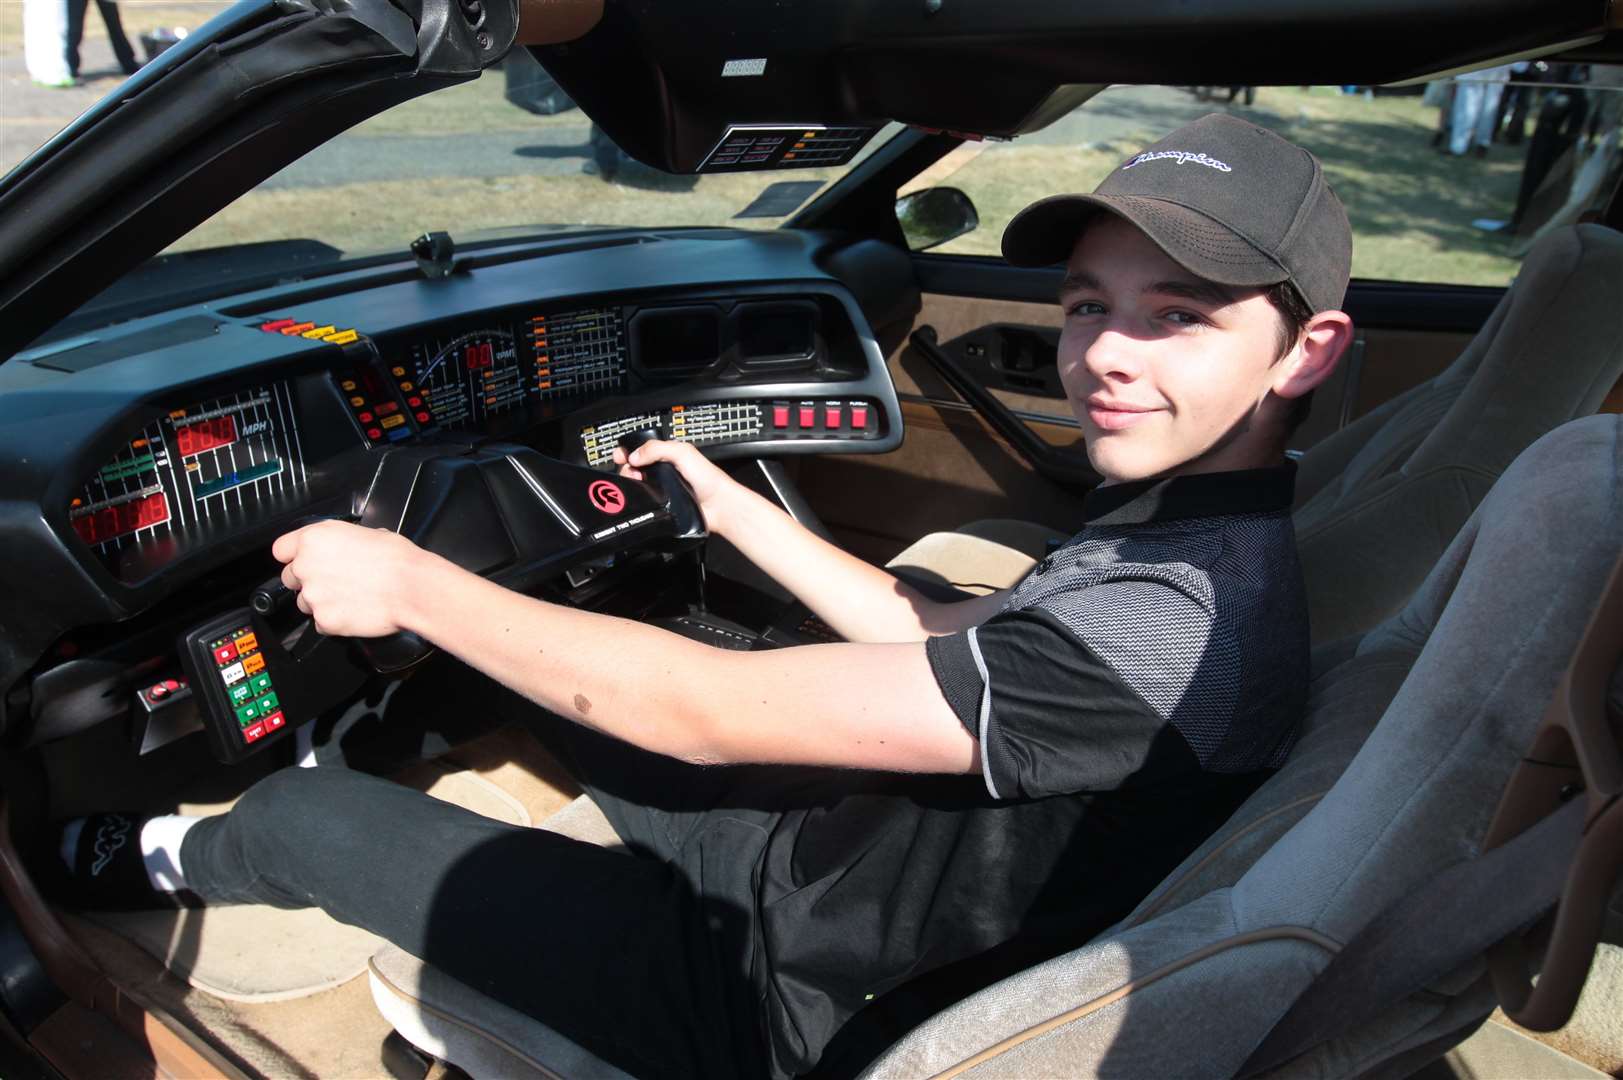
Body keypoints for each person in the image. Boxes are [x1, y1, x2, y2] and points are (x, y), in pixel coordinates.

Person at [48, 113, 1355, 1079]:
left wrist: (416, 587)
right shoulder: (1197, 540)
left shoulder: (1180, 634)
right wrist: (728, 508)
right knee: (554, 653)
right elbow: (950, 629)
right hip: (845, 867)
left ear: (1308, 352)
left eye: (1177, 317)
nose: (1105, 355)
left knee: (301, 819)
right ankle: (388, 719)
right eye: (1088, 304)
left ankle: (125, 855)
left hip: (781, 997)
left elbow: (701, 715)